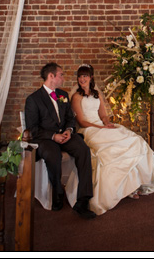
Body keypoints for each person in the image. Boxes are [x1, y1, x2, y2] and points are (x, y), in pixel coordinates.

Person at [70, 63, 154, 216]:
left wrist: (107, 123)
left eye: (85, 76)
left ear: (91, 77)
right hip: (89, 130)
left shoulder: (96, 93)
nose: (82, 79)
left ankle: (135, 184)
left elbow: (103, 115)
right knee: (110, 152)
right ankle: (124, 188)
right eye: (80, 76)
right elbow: (81, 121)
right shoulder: (76, 96)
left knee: (135, 141)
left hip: (101, 127)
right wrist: (100, 128)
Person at [24, 62, 96, 219]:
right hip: (45, 139)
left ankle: (83, 200)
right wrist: (53, 136)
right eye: (61, 75)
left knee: (83, 150)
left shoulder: (63, 95)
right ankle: (57, 194)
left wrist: (69, 131)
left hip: (65, 135)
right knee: (53, 154)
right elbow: (32, 128)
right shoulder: (33, 99)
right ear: (52, 76)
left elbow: (70, 118)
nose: (63, 78)